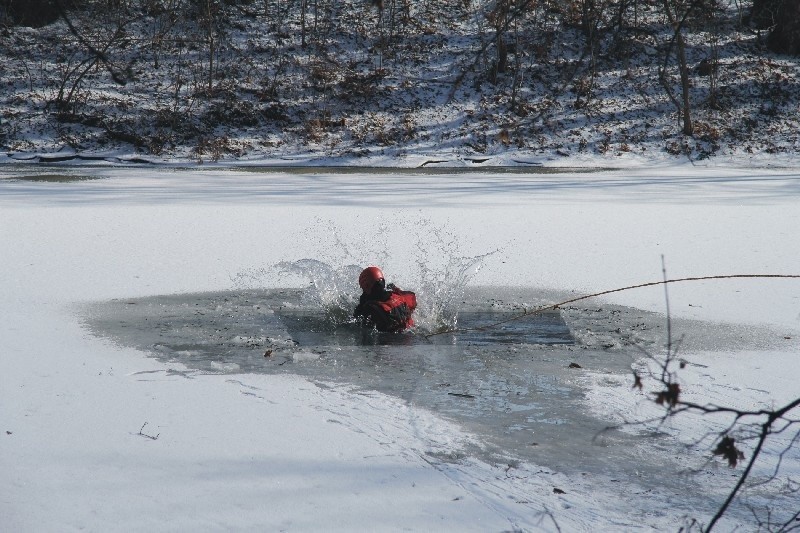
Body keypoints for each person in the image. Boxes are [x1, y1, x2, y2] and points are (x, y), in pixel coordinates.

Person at [354, 266, 417, 333]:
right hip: (411, 334)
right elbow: (413, 297)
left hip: (392, 340)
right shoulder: (401, 297)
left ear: (366, 286)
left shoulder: (371, 307)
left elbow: (355, 320)